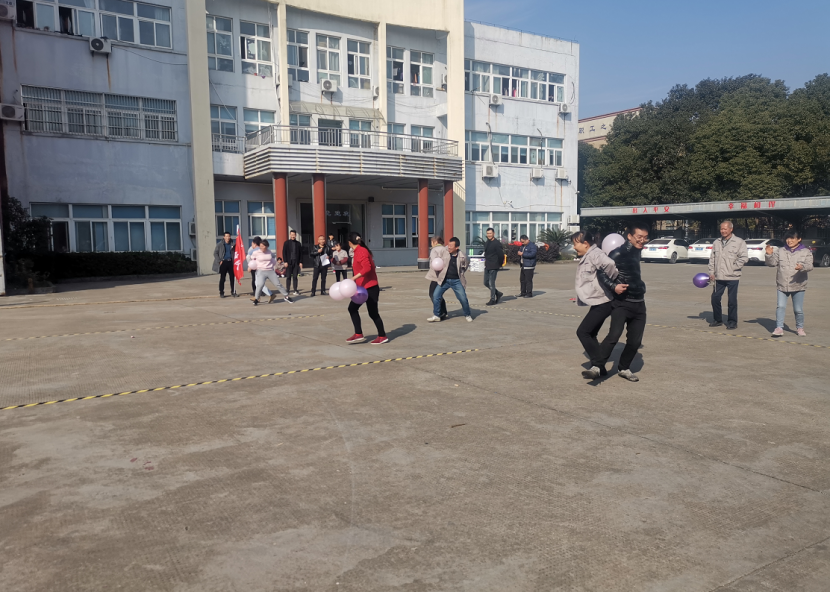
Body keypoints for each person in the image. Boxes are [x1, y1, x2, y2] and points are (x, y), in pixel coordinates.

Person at [596, 222, 649, 382]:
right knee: (614, 335)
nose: (642, 240)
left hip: (639, 302)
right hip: (622, 303)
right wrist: (614, 286)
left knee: (635, 341)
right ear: (630, 236)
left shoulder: (637, 251)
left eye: (645, 237)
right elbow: (600, 272)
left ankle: (624, 368)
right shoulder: (618, 253)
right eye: (639, 237)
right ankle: (597, 366)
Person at [572, 230, 619, 380]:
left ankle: (598, 364)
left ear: (585, 244)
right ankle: (601, 369)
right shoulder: (588, 255)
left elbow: (610, 264)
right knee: (590, 333)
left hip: (604, 301)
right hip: (598, 300)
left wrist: (611, 283)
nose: (574, 247)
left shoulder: (595, 254)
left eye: (575, 244)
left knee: (583, 332)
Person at [765, 229, 813, 337]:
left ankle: (800, 328)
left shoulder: (805, 252)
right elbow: (772, 263)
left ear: (799, 239)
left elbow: (810, 266)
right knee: (780, 306)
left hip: (798, 285)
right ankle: (779, 328)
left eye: (792, 238)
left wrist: (802, 267)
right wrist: (769, 255)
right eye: (787, 238)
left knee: (798, 309)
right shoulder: (781, 251)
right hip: (782, 284)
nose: (789, 241)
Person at [346, 232, 388, 345]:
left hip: (370, 288)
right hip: (361, 288)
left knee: (373, 313)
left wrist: (353, 278)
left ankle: (382, 336)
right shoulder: (358, 251)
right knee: (352, 308)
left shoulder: (361, 251)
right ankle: (358, 334)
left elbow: (367, 268)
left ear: (350, 243)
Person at [708, 221, 748, 330]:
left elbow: (744, 258)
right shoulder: (716, 242)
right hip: (718, 277)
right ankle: (717, 319)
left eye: (725, 229)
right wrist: (711, 272)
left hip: (732, 276)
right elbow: (712, 259)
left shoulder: (739, 242)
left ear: (731, 229)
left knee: (732, 301)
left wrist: (734, 267)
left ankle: (732, 322)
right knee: (715, 298)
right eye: (721, 229)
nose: (723, 231)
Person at [427, 237, 474, 322]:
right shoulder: (444, 252)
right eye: (448, 245)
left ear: (457, 247)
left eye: (451, 246)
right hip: (444, 280)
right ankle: (437, 315)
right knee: (436, 296)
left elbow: (466, 264)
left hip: (456, 281)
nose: (448, 247)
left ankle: (467, 314)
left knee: (463, 298)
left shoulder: (462, 256)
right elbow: (435, 259)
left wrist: (461, 273)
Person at [250, 240, 293, 305]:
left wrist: (273, 265)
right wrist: (250, 266)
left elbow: (273, 258)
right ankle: (256, 299)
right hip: (261, 271)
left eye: (263, 246)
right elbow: (252, 259)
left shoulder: (269, 252)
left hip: (270, 270)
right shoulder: (256, 252)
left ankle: (286, 296)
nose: (261, 247)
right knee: (260, 285)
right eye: (260, 246)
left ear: (266, 246)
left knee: (277, 284)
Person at [425, 236, 449, 320]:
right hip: (444, 274)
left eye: (432, 242)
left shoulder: (434, 250)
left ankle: (439, 312)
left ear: (435, 242)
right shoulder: (445, 249)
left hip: (436, 276)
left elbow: (434, 262)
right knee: (439, 294)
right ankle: (444, 311)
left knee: (433, 294)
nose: (431, 244)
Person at [212, 231, 239, 298]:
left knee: (232, 278)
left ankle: (233, 291)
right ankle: (221, 292)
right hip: (223, 262)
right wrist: (219, 260)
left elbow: (237, 252)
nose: (227, 238)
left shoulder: (233, 244)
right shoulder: (220, 244)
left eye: (229, 236)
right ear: (224, 237)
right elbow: (215, 253)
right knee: (222, 278)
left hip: (231, 262)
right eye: (226, 236)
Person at [483, 227, 504, 305]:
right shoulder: (487, 242)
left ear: (494, 234)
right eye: (487, 233)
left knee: (491, 283)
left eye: (490, 233)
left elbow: (501, 255)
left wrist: (499, 264)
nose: (489, 235)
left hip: (494, 265)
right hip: (487, 265)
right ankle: (498, 293)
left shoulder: (496, 243)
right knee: (486, 282)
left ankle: (492, 299)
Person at [282, 230, 303, 295]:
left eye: (294, 235)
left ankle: (295, 290)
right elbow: (284, 253)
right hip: (288, 262)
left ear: (296, 235)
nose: (293, 236)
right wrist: (285, 261)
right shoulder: (286, 243)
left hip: (296, 262)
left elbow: (301, 253)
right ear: (290, 235)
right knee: (288, 276)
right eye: (291, 235)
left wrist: (300, 262)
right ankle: (288, 290)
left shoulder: (298, 243)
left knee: (295, 276)